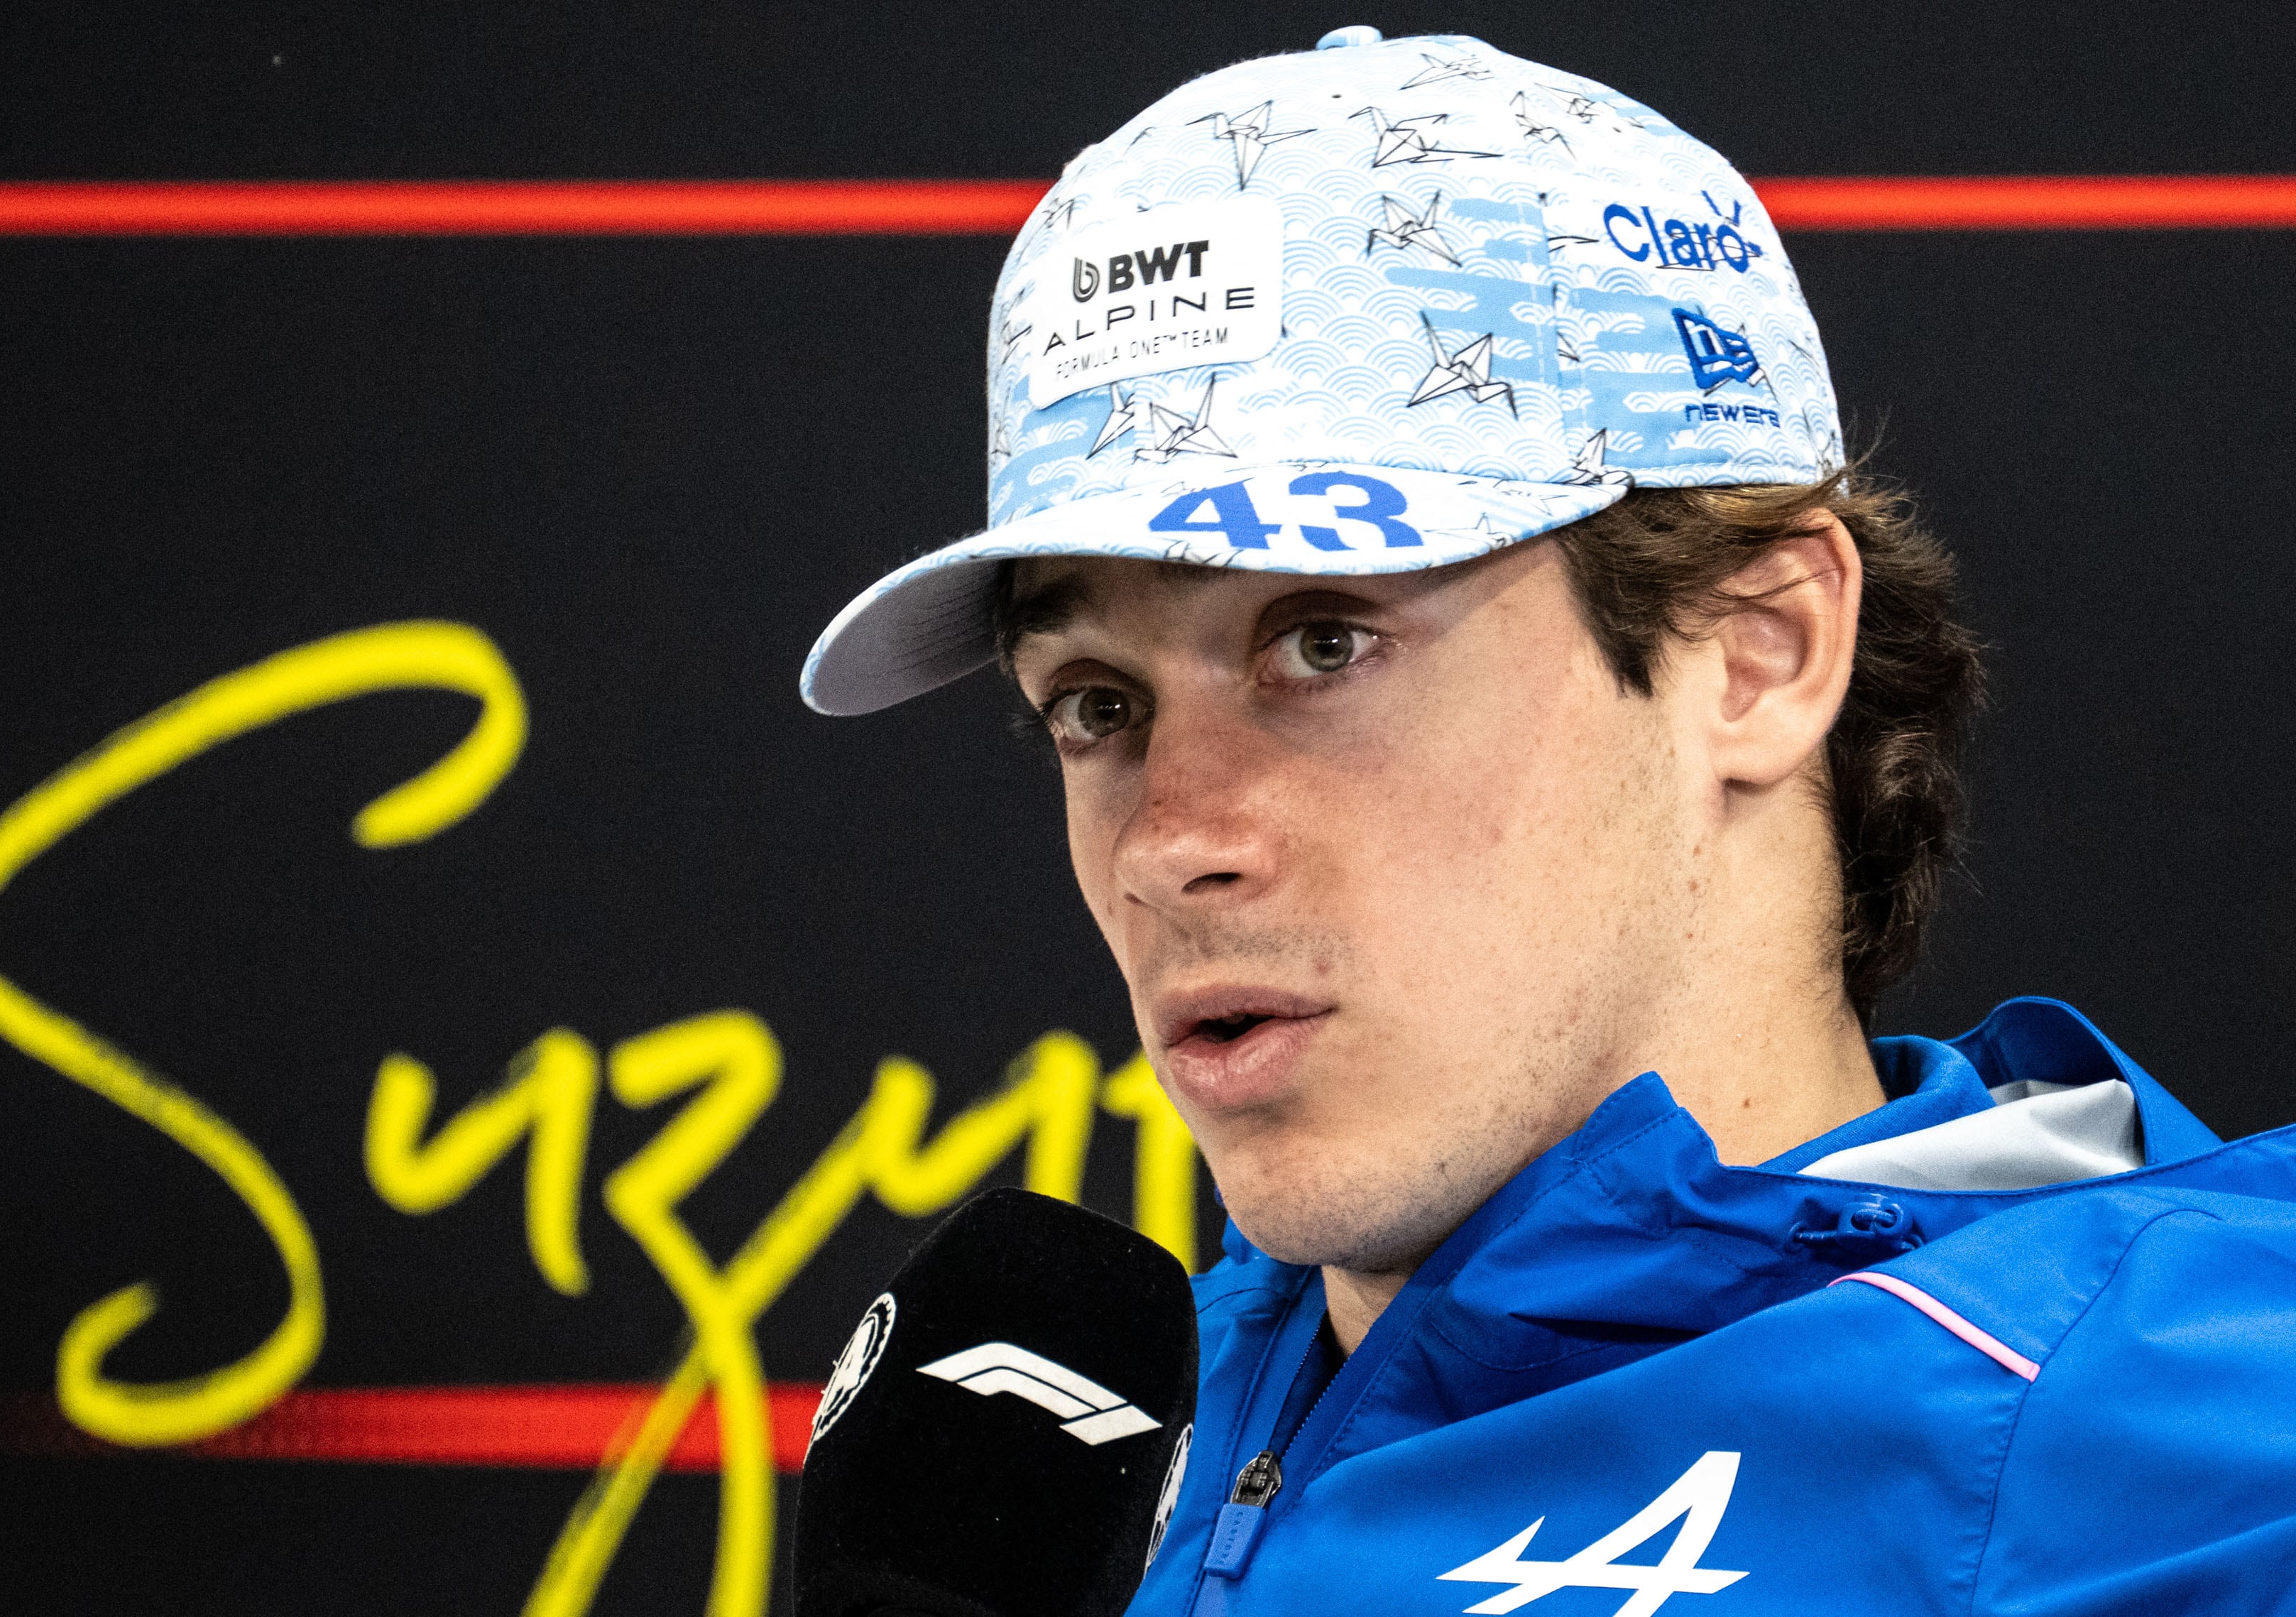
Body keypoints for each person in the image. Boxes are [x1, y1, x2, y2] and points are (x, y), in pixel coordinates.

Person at [801, 27, 2296, 1616]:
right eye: (1097, 702)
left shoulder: (2189, 1460)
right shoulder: (1078, 1462)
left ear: (1759, 652)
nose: (1172, 837)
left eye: (1323, 639)